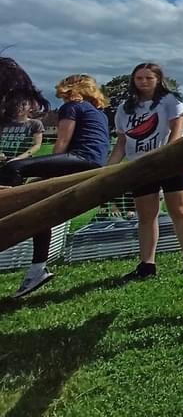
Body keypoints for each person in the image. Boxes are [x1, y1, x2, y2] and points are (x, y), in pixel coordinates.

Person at [0, 73, 109, 297]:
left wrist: (49, 174)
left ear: (72, 90)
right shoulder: (99, 113)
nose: (61, 97)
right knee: (40, 206)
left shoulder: (72, 107)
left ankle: (5, 209)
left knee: (13, 168)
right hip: (94, 163)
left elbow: (61, 145)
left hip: (79, 158)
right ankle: (37, 269)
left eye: (63, 92)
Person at [107, 63, 183, 281]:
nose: (143, 82)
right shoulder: (125, 108)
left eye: (149, 78)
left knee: (179, 210)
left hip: (170, 163)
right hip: (140, 165)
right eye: (139, 78)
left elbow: (176, 131)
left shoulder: (170, 101)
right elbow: (122, 142)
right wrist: (108, 169)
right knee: (146, 216)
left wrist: (167, 156)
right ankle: (147, 264)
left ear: (158, 79)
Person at [0, 100, 44, 165]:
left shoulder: (35, 123)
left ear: (31, 108)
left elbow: (37, 145)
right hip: (3, 162)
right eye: (17, 105)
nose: (19, 107)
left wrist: (18, 158)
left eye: (24, 104)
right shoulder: (4, 123)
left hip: (23, 163)